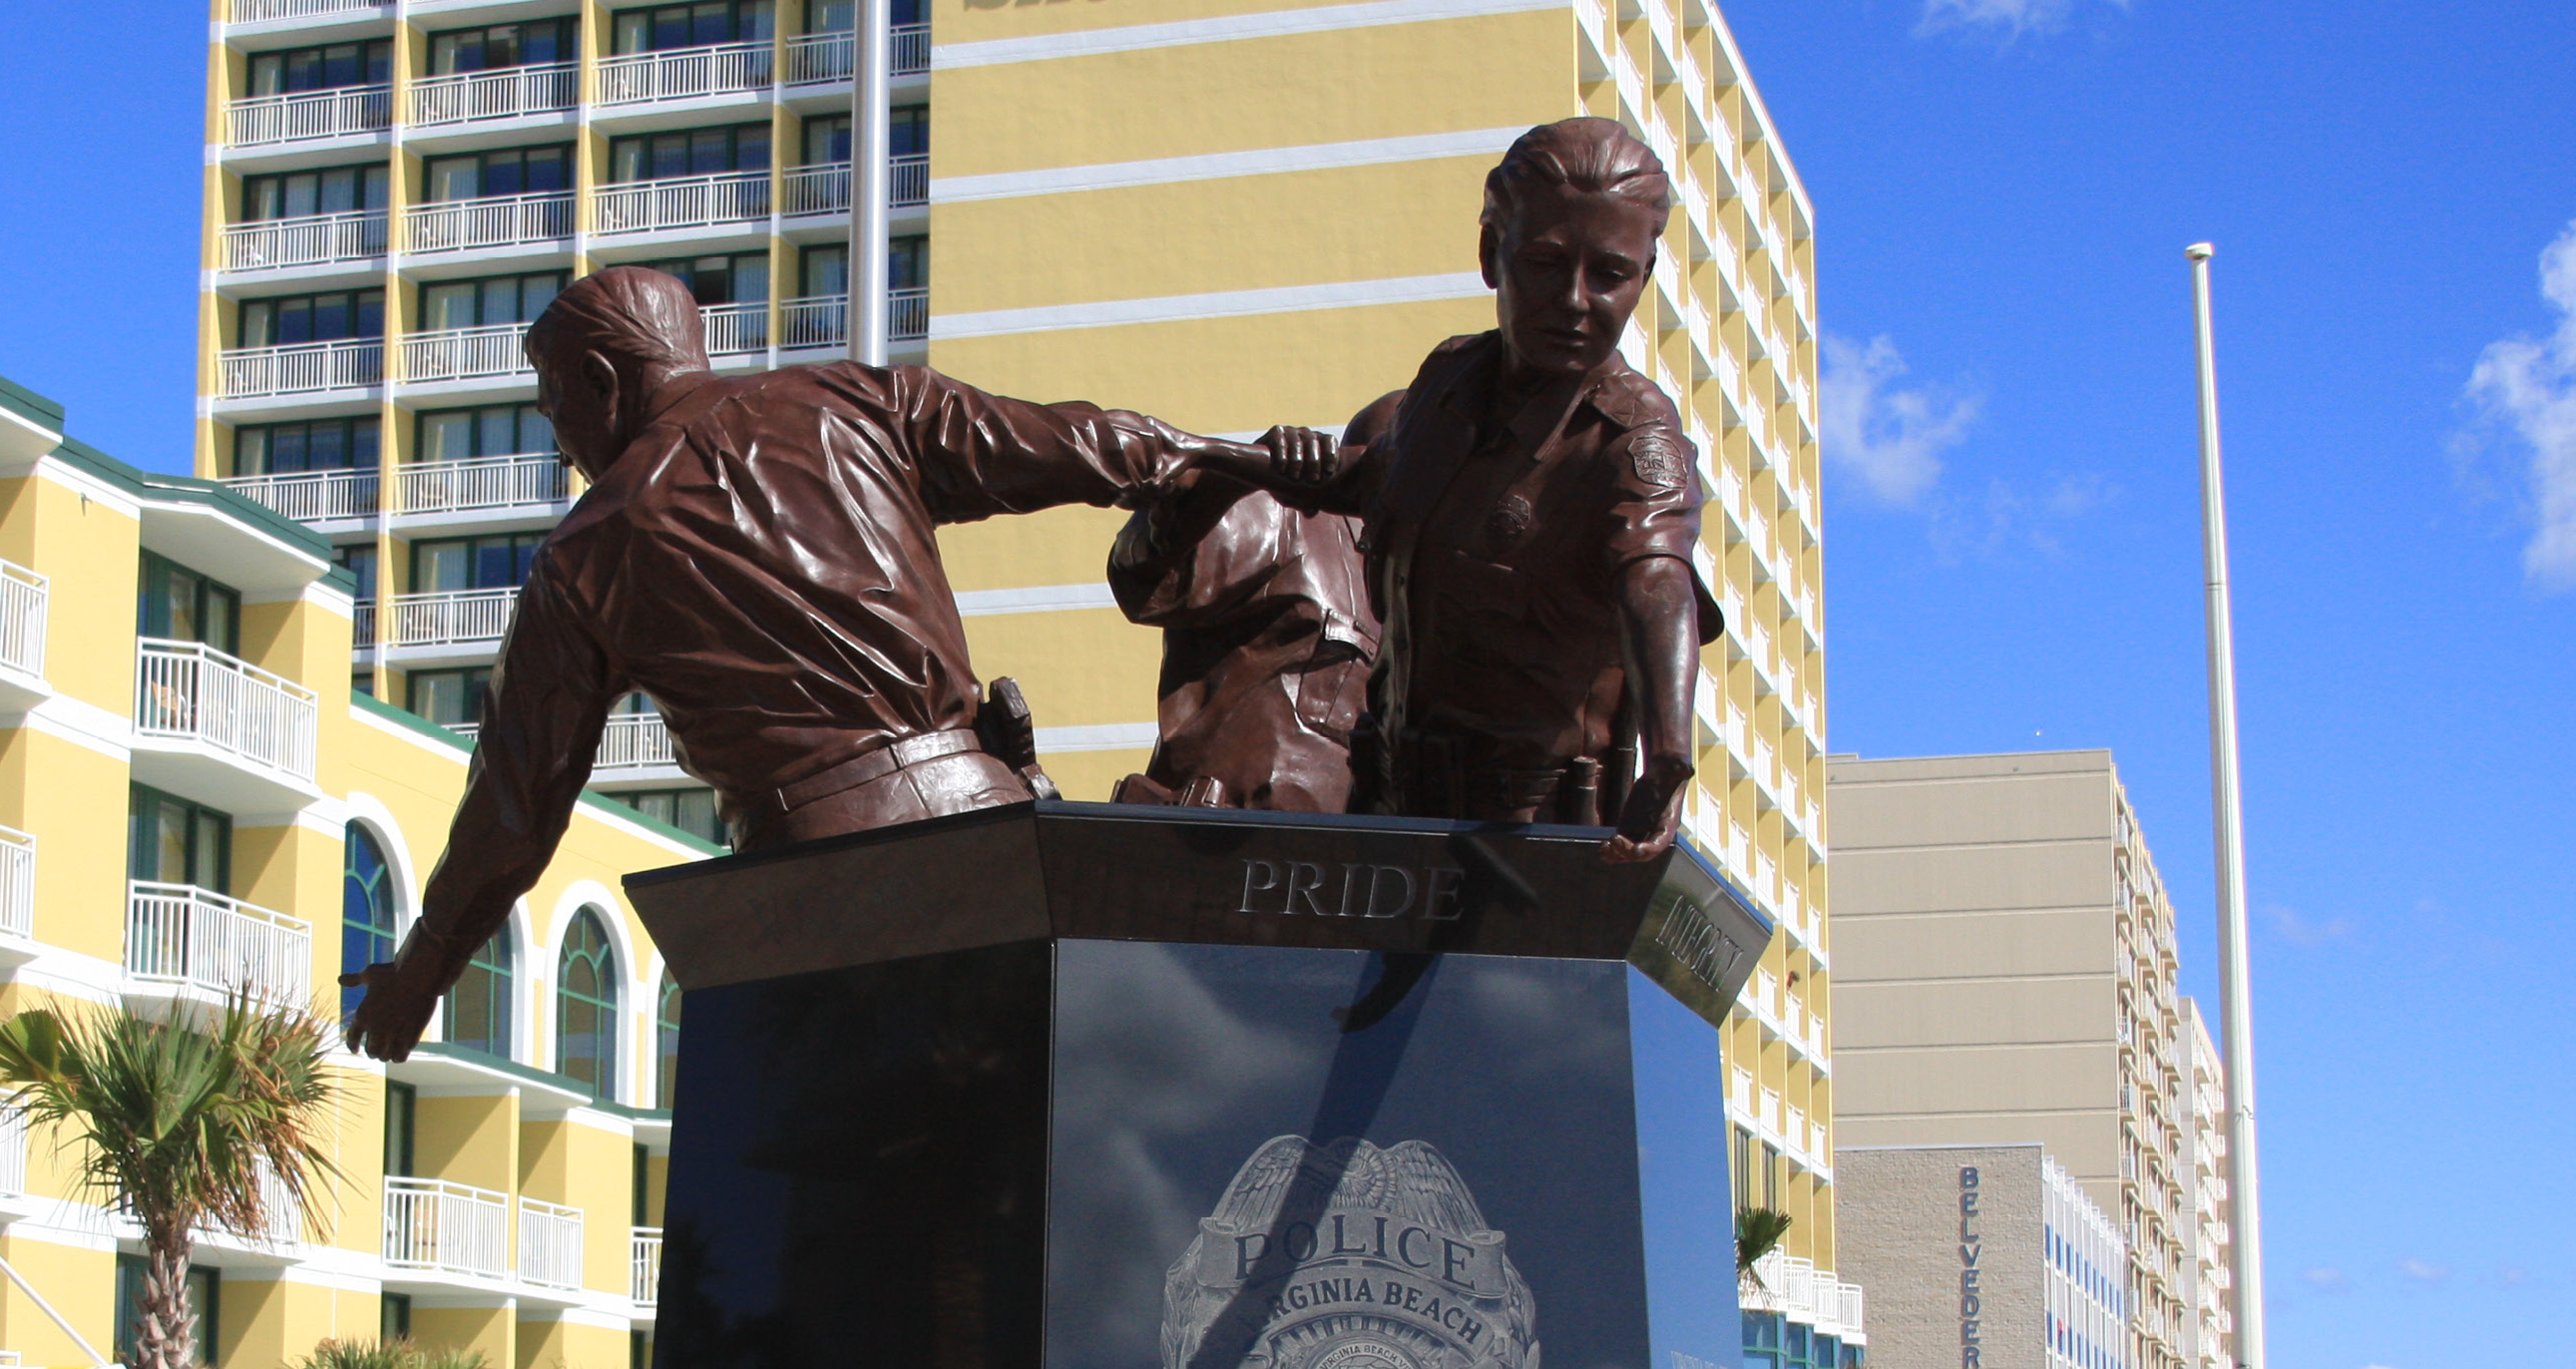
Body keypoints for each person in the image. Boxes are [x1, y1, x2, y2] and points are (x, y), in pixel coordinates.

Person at [342, 266, 1336, 1061]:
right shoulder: (856, 401)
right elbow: (1077, 443)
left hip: (820, 891)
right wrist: (1238, 458)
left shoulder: (583, 555)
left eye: (555, 407)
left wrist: (424, 966)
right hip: (993, 835)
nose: (563, 447)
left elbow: (515, 805)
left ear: (605, 382)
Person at [1307, 117, 1723, 854]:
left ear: (1644, 277)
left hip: (1532, 845)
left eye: (1610, 274)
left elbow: (1656, 580)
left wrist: (1669, 749)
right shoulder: (1447, 380)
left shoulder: (1633, 436)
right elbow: (1382, 482)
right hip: (1387, 811)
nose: (1573, 299)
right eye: (1544, 262)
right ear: (1488, 254)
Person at [1100, 397, 1394, 813]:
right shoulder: (1292, 515)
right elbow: (1149, 575)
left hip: (1357, 856)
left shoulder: (1420, 593)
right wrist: (1232, 475)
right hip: (1228, 846)